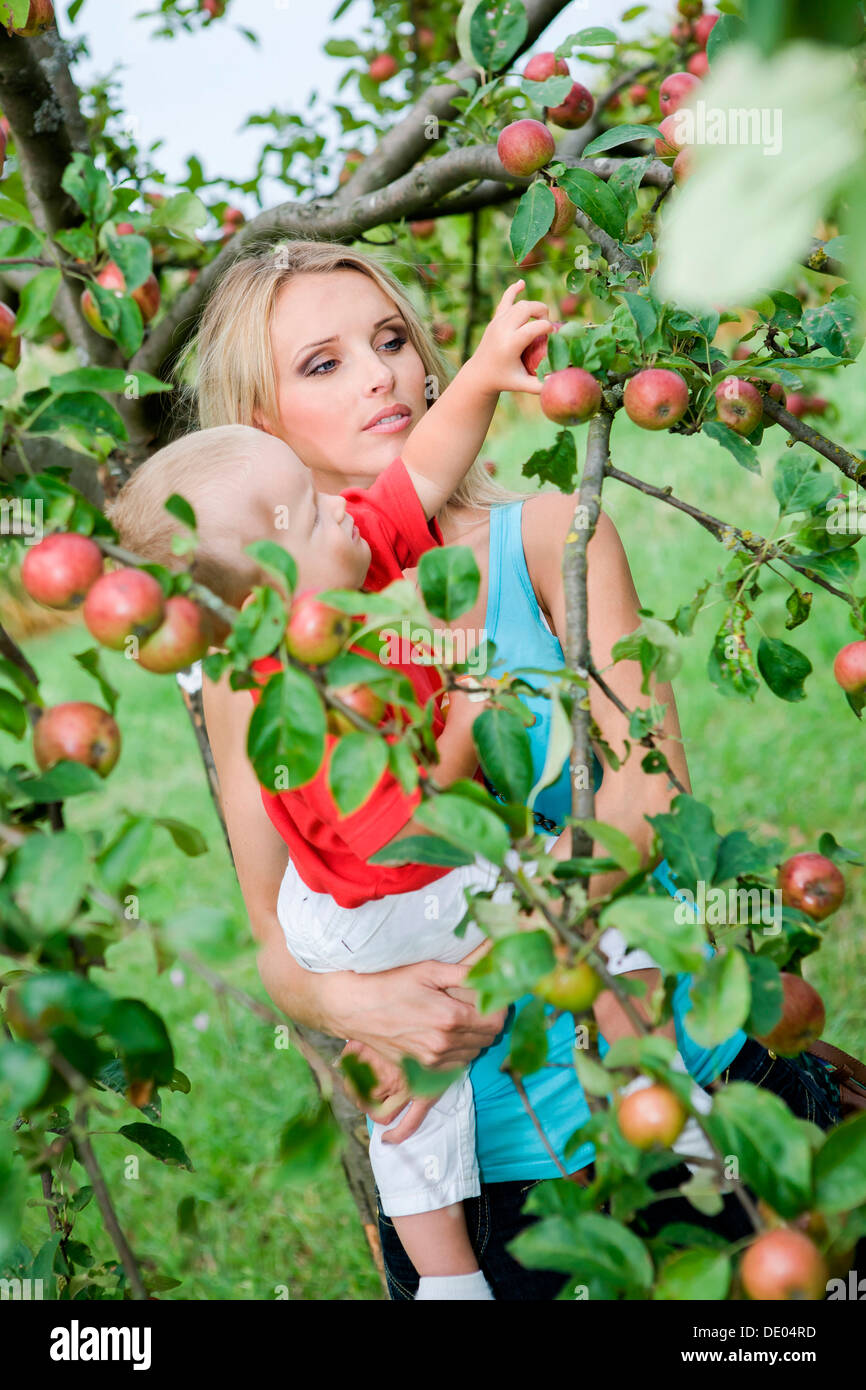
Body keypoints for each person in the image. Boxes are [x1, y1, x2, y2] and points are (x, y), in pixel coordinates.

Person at [182, 242, 841, 1299]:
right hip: (488, 1178)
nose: (379, 375)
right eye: (323, 364)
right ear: (258, 430)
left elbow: (646, 798)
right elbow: (276, 942)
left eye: (390, 340)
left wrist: (499, 968)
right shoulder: (246, 669)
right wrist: (361, 1009)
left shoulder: (543, 539)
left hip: (674, 1089)